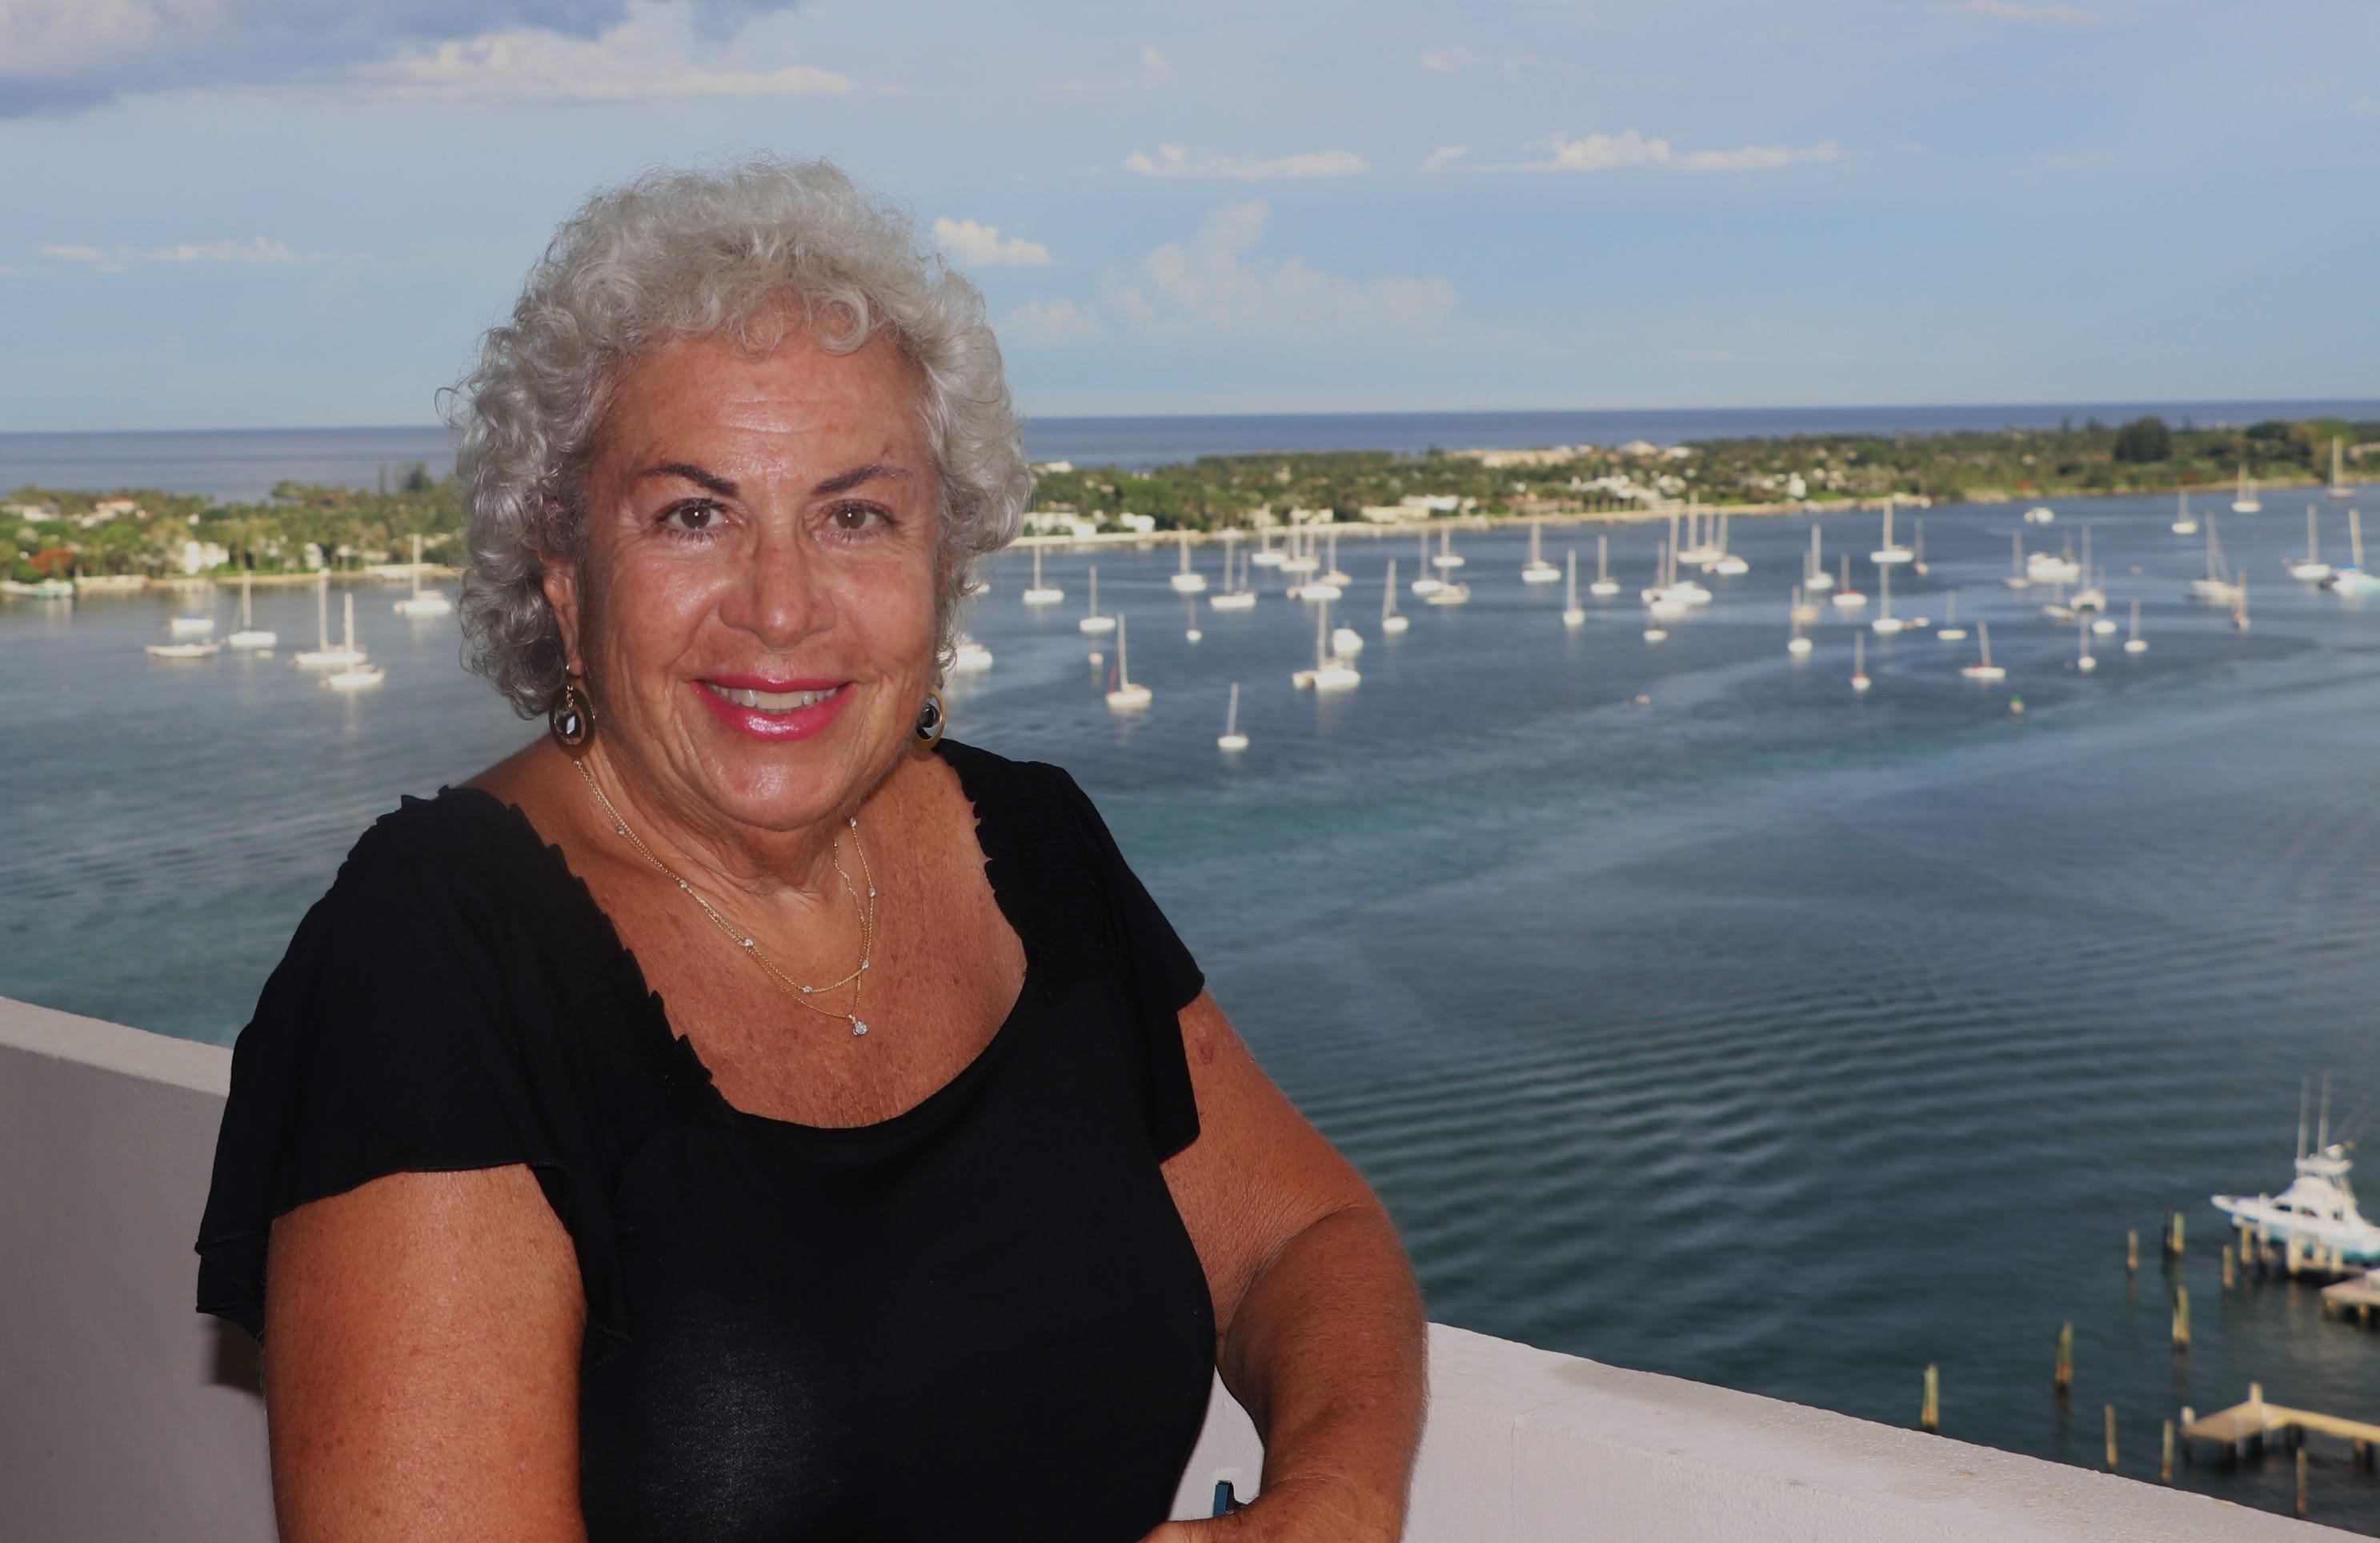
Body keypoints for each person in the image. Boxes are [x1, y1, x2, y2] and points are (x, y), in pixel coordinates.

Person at [194, 155, 1426, 1541]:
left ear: (942, 560)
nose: (781, 608)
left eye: (854, 515)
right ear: (561, 560)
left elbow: (1301, 1244)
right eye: (693, 513)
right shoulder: (434, 958)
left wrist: (1330, 1491)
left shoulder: (1030, 849)